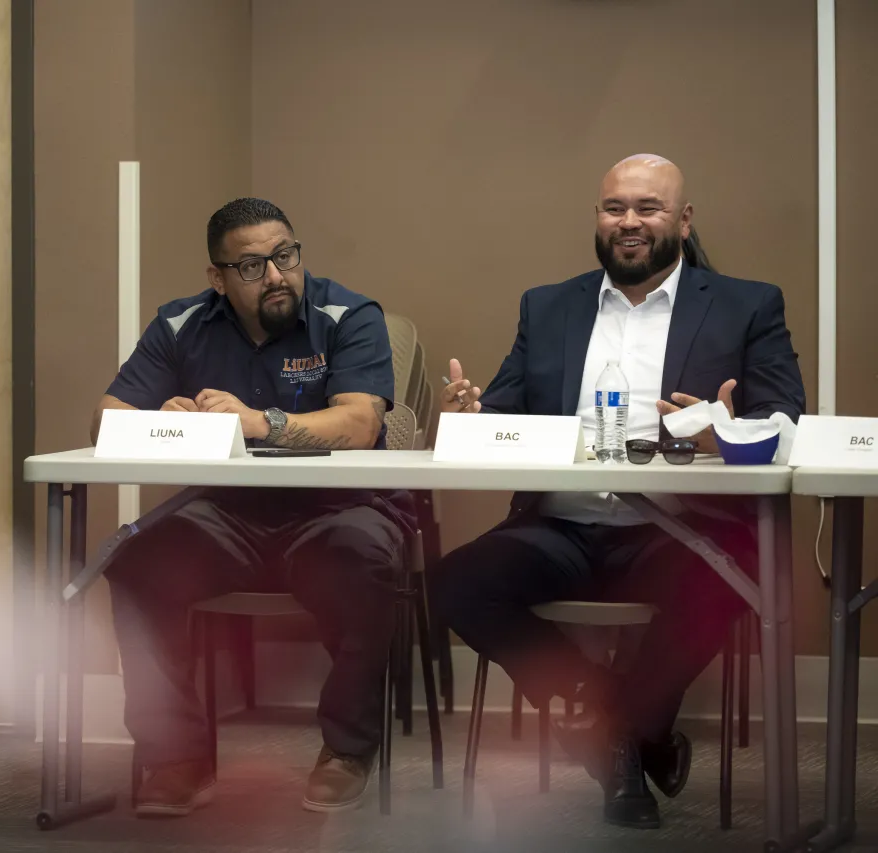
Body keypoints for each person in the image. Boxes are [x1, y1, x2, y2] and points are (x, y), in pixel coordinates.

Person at [427, 156, 805, 829]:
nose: (628, 222)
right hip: (559, 525)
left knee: (726, 577)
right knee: (456, 581)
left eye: (647, 208)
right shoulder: (547, 306)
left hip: (675, 528)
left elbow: (786, 421)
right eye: (613, 208)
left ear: (683, 221)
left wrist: (725, 430)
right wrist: (471, 418)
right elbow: (506, 418)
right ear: (597, 217)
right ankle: (616, 720)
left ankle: (617, 735)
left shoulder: (748, 304)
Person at [91, 198, 410, 817]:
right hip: (222, 516)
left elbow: (359, 423)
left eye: (285, 256)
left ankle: (347, 749)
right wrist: (160, 419)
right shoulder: (181, 324)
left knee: (363, 559)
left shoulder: (348, 315)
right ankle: (176, 755)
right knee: (135, 563)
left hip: (338, 509)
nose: (276, 276)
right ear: (217, 278)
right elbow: (106, 418)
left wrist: (258, 422)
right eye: (252, 265)